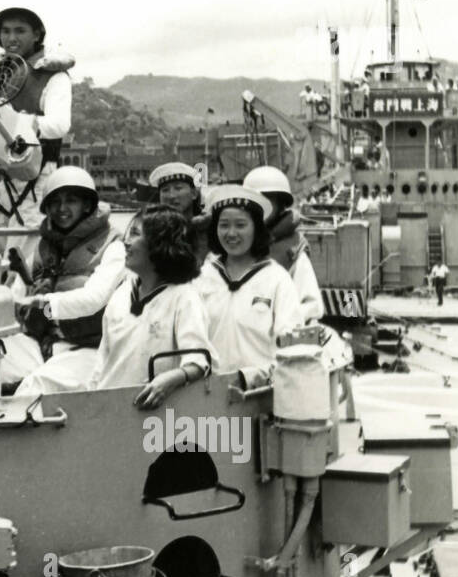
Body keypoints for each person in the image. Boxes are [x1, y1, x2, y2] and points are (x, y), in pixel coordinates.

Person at [5, 167, 127, 395]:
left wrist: (44, 305)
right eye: (55, 203)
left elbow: (94, 299)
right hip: (42, 343)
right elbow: (15, 296)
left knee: (36, 386)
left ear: (87, 205)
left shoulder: (114, 246)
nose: (62, 209)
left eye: (71, 201)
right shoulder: (42, 248)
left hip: (90, 350)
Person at [86, 205, 216, 408]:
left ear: (159, 244)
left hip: (152, 413)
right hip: (108, 408)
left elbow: (199, 361)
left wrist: (170, 379)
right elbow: (102, 359)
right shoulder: (121, 293)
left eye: (135, 234)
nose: (126, 242)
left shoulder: (184, 297)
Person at [0, 7, 73, 265]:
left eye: (20, 31)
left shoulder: (54, 75)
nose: (11, 38)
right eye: (5, 31)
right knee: (1, 249)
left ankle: (20, 301)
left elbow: (58, 125)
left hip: (35, 174)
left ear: (37, 35)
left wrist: (17, 124)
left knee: (22, 254)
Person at [196, 186, 302, 388]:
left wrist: (253, 378)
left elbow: (290, 348)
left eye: (241, 225)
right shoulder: (204, 276)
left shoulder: (277, 279)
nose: (231, 233)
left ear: (256, 229)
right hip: (209, 397)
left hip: (259, 396)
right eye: (224, 225)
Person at [244, 166, 323, 323]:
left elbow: (312, 306)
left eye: (268, 200)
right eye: (256, 201)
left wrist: (276, 318)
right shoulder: (238, 243)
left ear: (280, 204)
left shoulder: (292, 251)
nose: (262, 207)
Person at [149, 161, 210, 264]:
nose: (171, 195)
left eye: (178, 188)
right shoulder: (152, 233)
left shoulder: (208, 230)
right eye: (165, 190)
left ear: (194, 193)